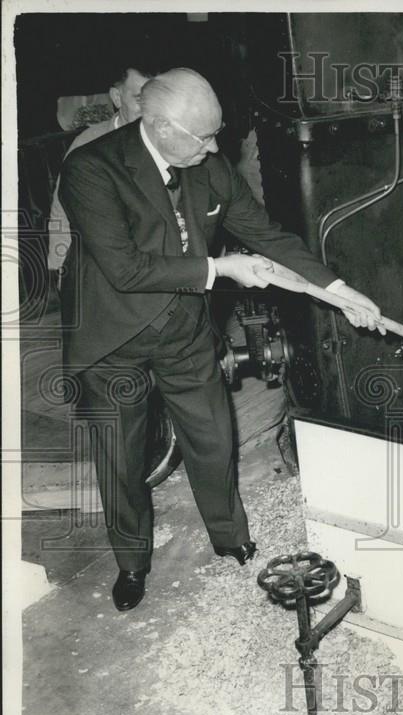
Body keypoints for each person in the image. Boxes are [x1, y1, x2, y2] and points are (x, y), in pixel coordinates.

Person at [59, 67, 383, 612]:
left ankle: (230, 538)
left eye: (217, 133)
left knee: (213, 440)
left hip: (184, 329)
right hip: (114, 336)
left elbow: (266, 234)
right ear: (157, 125)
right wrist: (221, 268)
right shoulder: (91, 170)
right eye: (202, 137)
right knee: (121, 457)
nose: (215, 149)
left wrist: (339, 290)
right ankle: (132, 564)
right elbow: (126, 269)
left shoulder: (208, 166)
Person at [48, 66, 153, 277]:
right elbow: (62, 209)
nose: (151, 110)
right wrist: (62, 266)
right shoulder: (88, 145)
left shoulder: (169, 139)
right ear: (117, 97)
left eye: (157, 98)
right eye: (140, 99)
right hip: (104, 265)